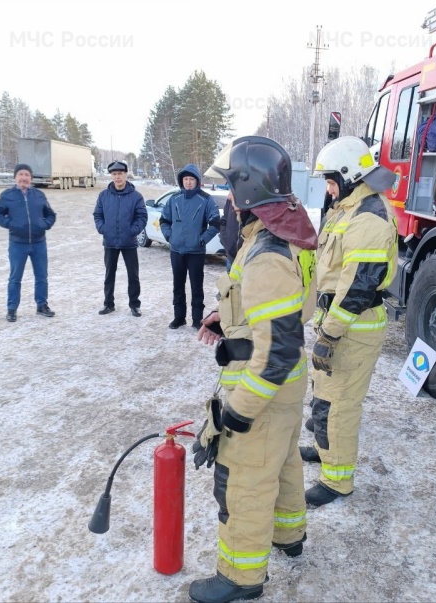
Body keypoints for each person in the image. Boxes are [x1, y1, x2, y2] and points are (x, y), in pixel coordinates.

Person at [189, 136, 318, 603]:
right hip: (285, 388)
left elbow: (277, 351)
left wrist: (236, 413)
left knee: (243, 478)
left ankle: (240, 579)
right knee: (282, 463)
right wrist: (225, 318)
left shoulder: (265, 253)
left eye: (229, 189)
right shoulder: (285, 232)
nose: (225, 198)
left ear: (246, 192)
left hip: (262, 385)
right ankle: (289, 536)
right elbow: (275, 311)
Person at [302, 135, 398, 507]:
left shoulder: (368, 217)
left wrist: (329, 333)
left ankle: (337, 480)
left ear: (348, 176)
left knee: (338, 405)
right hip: (339, 324)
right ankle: (326, 452)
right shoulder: (348, 209)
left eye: (329, 180)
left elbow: (358, 286)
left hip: (353, 328)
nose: (327, 188)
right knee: (324, 396)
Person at [0, 163, 57, 322]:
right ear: (15, 177)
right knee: (15, 277)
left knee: (41, 276)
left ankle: (42, 305)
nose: (24, 178)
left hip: (39, 243)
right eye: (20, 174)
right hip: (17, 244)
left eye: (27, 175)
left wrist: (44, 225)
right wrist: (11, 224)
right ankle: (12, 308)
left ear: (31, 178)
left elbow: (51, 214)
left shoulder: (39, 195)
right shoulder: (7, 195)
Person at [159, 164, 221, 330]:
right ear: (181, 181)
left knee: (196, 286)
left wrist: (202, 240)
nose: (188, 182)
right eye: (185, 179)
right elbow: (164, 220)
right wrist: (169, 236)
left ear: (197, 181)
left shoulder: (206, 199)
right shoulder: (174, 199)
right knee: (178, 285)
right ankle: (179, 317)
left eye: (191, 179)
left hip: (196, 251)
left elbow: (215, 223)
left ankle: (196, 319)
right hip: (176, 250)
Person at [93, 160, 147, 317]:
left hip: (129, 242)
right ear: (111, 176)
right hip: (110, 242)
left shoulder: (136, 196)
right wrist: (103, 229)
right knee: (109, 274)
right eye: (115, 174)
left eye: (120, 174)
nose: (118, 177)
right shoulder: (104, 195)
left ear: (126, 174)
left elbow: (142, 216)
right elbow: (98, 215)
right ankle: (108, 304)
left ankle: (135, 305)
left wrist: (133, 231)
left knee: (133, 275)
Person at [218, 190, 242, 273]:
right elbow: (224, 219)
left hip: (245, 253)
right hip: (230, 251)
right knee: (231, 283)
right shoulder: (230, 197)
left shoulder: (252, 198)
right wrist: (223, 237)